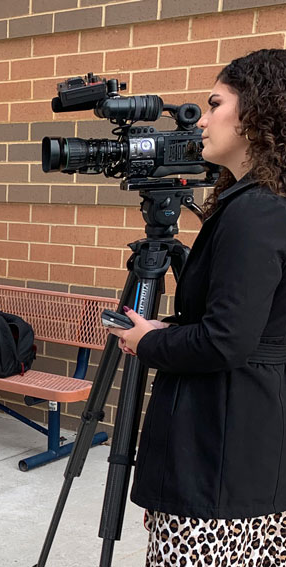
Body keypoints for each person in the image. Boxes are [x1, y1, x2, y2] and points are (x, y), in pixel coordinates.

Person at [108, 49, 286, 565]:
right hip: (242, 442)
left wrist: (149, 340)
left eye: (214, 104)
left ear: (256, 112)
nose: (202, 120)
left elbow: (225, 340)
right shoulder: (260, 201)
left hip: (221, 451)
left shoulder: (256, 213)